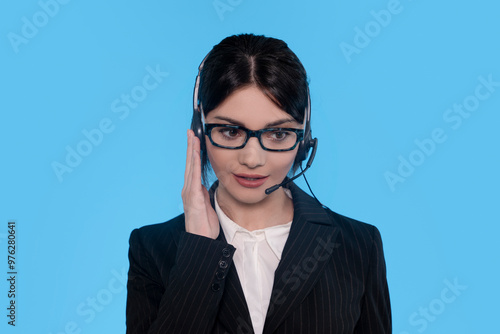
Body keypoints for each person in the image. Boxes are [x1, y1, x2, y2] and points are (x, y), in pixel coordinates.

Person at [126, 33, 391, 334]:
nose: (252, 159)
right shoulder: (152, 248)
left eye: (278, 134)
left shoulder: (359, 245)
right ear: (200, 131)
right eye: (229, 131)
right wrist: (198, 250)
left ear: (304, 139)